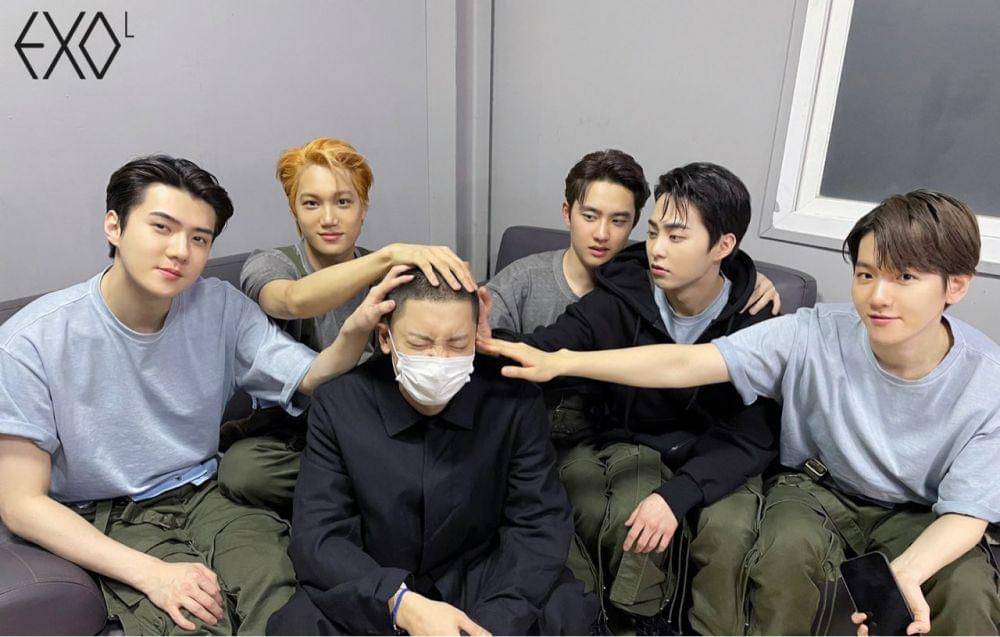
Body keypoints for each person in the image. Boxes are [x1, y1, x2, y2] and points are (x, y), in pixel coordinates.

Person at [483, 190, 1000, 635]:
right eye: (865, 274)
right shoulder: (813, 333)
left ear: (955, 285)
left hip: (920, 511)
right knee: (782, 559)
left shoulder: (987, 382)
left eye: (905, 277)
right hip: (816, 488)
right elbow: (685, 362)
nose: (878, 296)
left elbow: (968, 512)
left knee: (969, 590)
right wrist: (562, 361)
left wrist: (903, 575)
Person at [0, 155, 406, 635]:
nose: (180, 251)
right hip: (108, 514)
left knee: (287, 607)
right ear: (114, 225)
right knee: (193, 621)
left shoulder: (219, 307)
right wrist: (151, 574)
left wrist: (356, 329)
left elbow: (310, 375)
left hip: (208, 492)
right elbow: (20, 503)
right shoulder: (32, 341)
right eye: (161, 227)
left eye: (199, 238)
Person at [480, 162, 783, 633]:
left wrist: (677, 495)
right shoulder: (622, 295)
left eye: (677, 237)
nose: (657, 249)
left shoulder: (755, 320)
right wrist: (476, 336)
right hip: (630, 447)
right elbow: (550, 347)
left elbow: (752, 437)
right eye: (655, 232)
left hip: (718, 455)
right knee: (615, 512)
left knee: (730, 531)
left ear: (723, 246)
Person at [267, 271, 600, 635]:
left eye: (457, 344)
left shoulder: (513, 398)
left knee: (566, 610)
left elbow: (538, 521)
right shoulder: (340, 404)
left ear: (477, 337)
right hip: (377, 583)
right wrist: (399, 603)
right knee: (296, 625)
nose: (439, 359)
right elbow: (320, 536)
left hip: (483, 577)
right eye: (420, 343)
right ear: (385, 338)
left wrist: (489, 624)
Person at [217, 137, 476, 515]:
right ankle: (373, 488)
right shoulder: (270, 264)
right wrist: (389, 256)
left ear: (363, 207)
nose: (328, 219)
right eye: (311, 203)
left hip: (374, 423)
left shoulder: (394, 275)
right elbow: (292, 300)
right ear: (294, 210)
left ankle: (361, 487)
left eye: (343, 202)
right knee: (245, 472)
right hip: (295, 431)